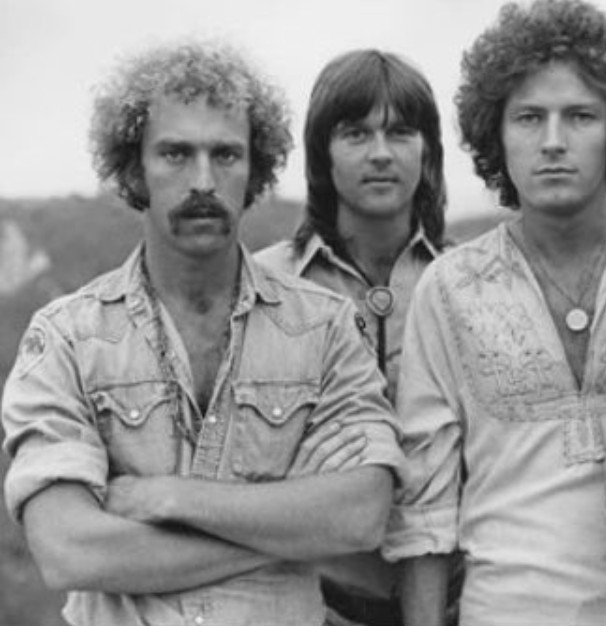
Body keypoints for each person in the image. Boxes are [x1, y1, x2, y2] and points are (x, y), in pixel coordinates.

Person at [1, 41, 404, 626]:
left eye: (226, 155)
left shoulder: (325, 328)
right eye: (175, 154)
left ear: (254, 168)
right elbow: (69, 550)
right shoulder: (66, 336)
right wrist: (291, 526)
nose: (204, 180)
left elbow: (361, 516)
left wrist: (169, 497)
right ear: (134, 168)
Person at [383, 1, 606, 624]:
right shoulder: (450, 287)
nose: (552, 142)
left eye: (580, 116)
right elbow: (423, 508)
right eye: (528, 117)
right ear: (496, 133)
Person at [257, 49, 446, 626]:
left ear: (428, 151)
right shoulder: (266, 286)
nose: (381, 153)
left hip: (458, 595)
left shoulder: (468, 281)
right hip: (310, 598)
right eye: (356, 134)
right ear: (323, 152)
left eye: (401, 132)